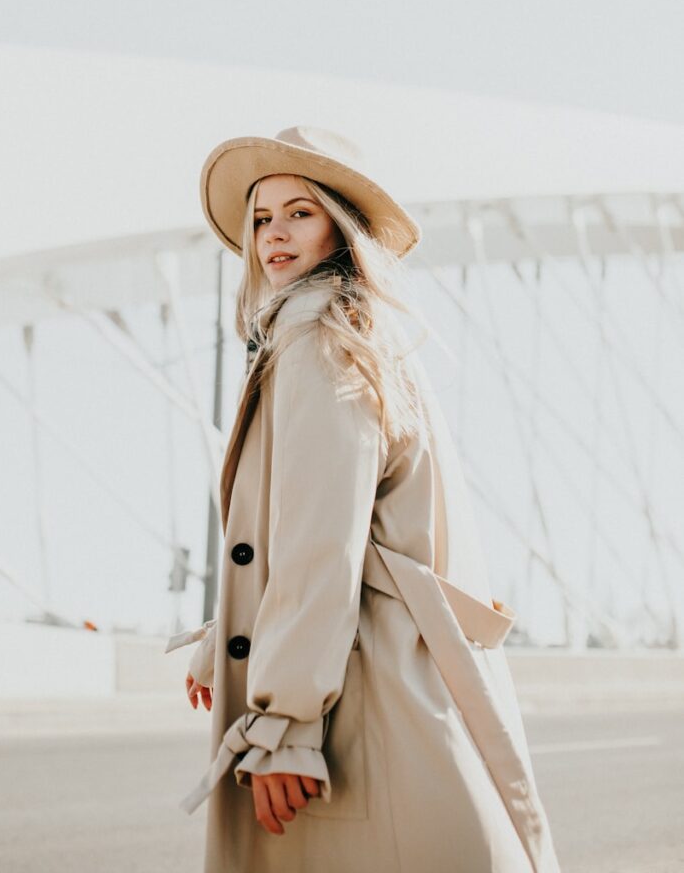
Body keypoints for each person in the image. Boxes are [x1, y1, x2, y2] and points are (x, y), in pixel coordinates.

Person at [164, 127, 561, 872]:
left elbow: (324, 544)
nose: (273, 233)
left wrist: (284, 724)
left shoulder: (320, 343)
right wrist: (231, 635)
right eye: (260, 218)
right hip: (386, 671)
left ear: (340, 228)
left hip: (360, 694)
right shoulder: (350, 335)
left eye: (299, 212)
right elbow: (322, 528)